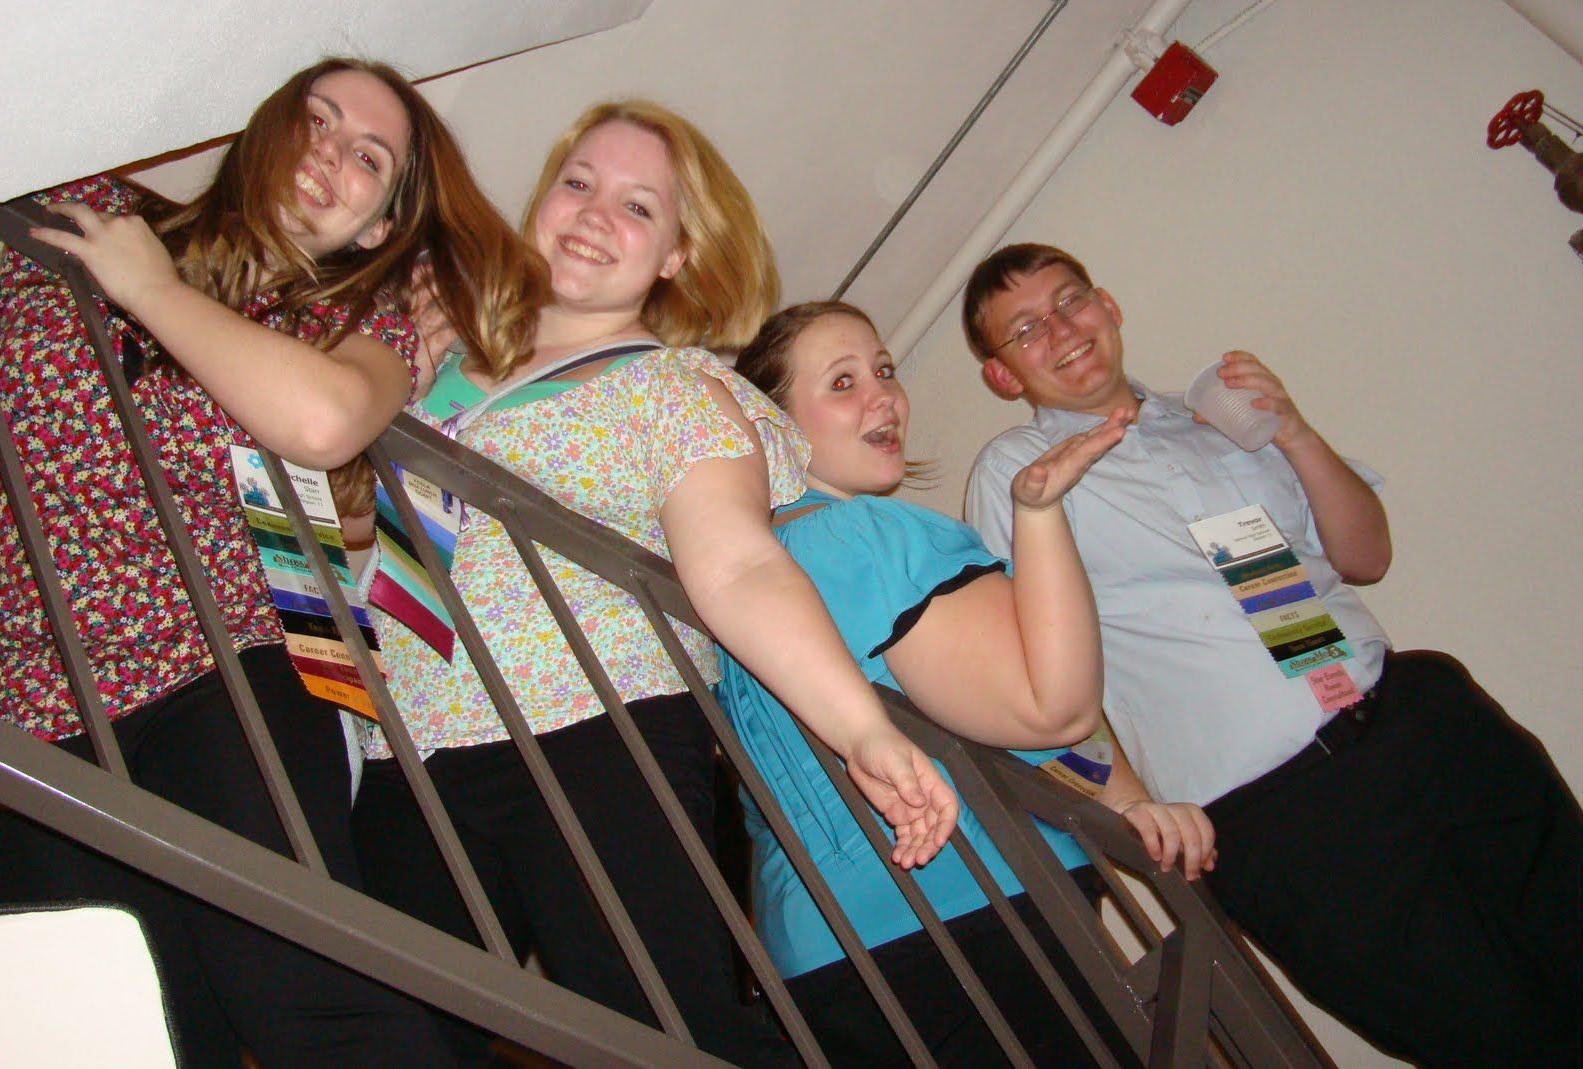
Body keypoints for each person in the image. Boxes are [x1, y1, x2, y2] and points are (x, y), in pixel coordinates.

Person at [350, 102, 956, 1069]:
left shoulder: (675, 387)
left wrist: (862, 729)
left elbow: (742, 565)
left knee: (666, 1039)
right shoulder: (436, 372)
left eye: (638, 205)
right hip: (408, 748)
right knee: (380, 1035)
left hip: (594, 733)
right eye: (577, 183)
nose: (595, 213)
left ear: (677, 253)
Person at [0, 57, 546, 1068]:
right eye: (315, 119)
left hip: (216, 667)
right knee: (121, 1030)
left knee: (305, 995)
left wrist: (149, 290)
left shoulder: (356, 327)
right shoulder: (93, 213)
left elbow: (323, 422)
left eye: (368, 156)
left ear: (378, 225)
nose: (330, 152)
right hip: (17, 698)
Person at [962, 242, 1582, 1069]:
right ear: (1002, 375)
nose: (1062, 328)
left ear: (1108, 305)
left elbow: (1366, 556)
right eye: (1026, 328)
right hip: (1287, 820)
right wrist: (1132, 801)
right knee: (1498, 1039)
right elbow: (1027, 681)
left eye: (1070, 300)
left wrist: (1292, 428)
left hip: (1420, 719)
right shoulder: (1019, 476)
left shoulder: (1217, 420)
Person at [720, 300, 1214, 1067]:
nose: (884, 397)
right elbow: (1053, 708)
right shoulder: (865, 537)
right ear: (773, 426)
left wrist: (1126, 802)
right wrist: (1038, 512)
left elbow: (992, 717)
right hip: (974, 916)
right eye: (843, 382)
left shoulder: (734, 590)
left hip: (822, 955)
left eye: (884, 370)